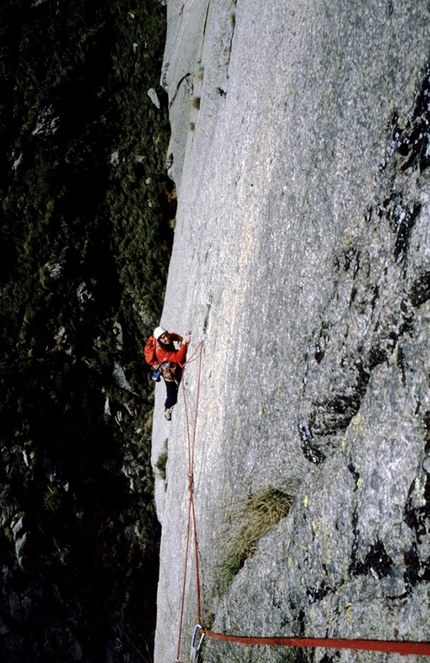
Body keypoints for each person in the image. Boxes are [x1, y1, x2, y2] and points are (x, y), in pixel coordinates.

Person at [153, 326, 191, 420]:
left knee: (178, 375)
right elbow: (179, 357)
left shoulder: (167, 337)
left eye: (166, 335)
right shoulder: (160, 352)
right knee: (172, 396)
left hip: (173, 364)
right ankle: (167, 408)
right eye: (163, 337)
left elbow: (172, 335)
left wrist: (179, 338)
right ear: (159, 340)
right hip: (168, 372)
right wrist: (183, 343)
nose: (166, 338)